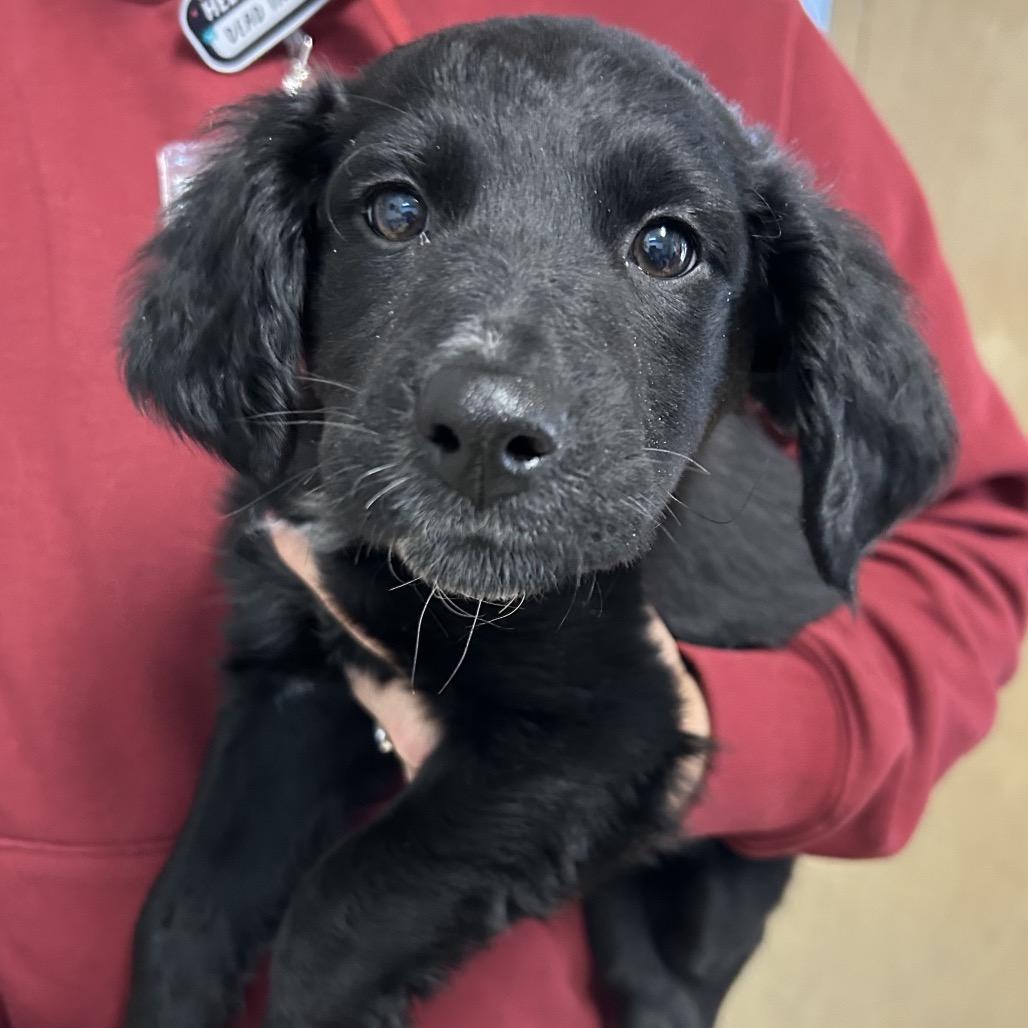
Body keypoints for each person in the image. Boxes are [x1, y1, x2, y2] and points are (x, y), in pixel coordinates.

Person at [1, 0, 1026, 1025]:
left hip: (633, 899)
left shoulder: (732, 22)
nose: (492, 403)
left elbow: (971, 528)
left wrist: (756, 732)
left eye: (666, 246)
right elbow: (286, 701)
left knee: (654, 984)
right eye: (394, 211)